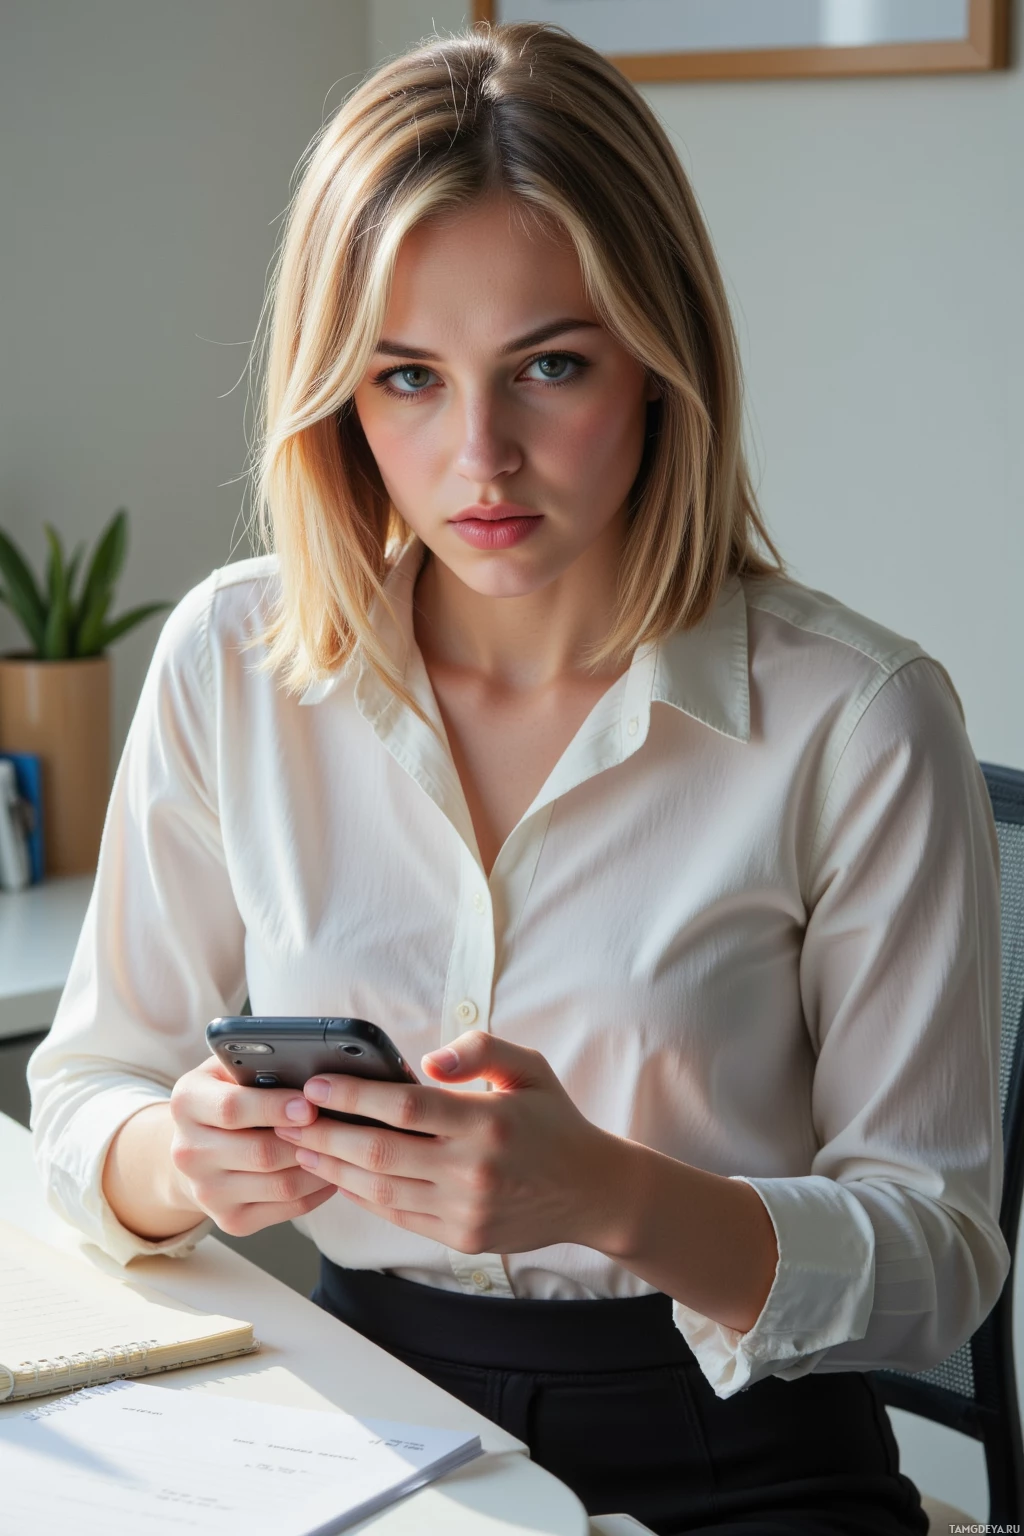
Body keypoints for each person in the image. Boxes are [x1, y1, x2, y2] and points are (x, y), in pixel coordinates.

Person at [28, 22, 1008, 1535]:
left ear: (662, 363)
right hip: (360, 1415)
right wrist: (187, 1156)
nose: (477, 456)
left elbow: (939, 1259)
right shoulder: (234, 659)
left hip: (739, 1460)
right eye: (407, 377)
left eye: (550, 365)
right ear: (336, 395)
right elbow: (90, 1087)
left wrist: (606, 1195)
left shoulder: (859, 718)